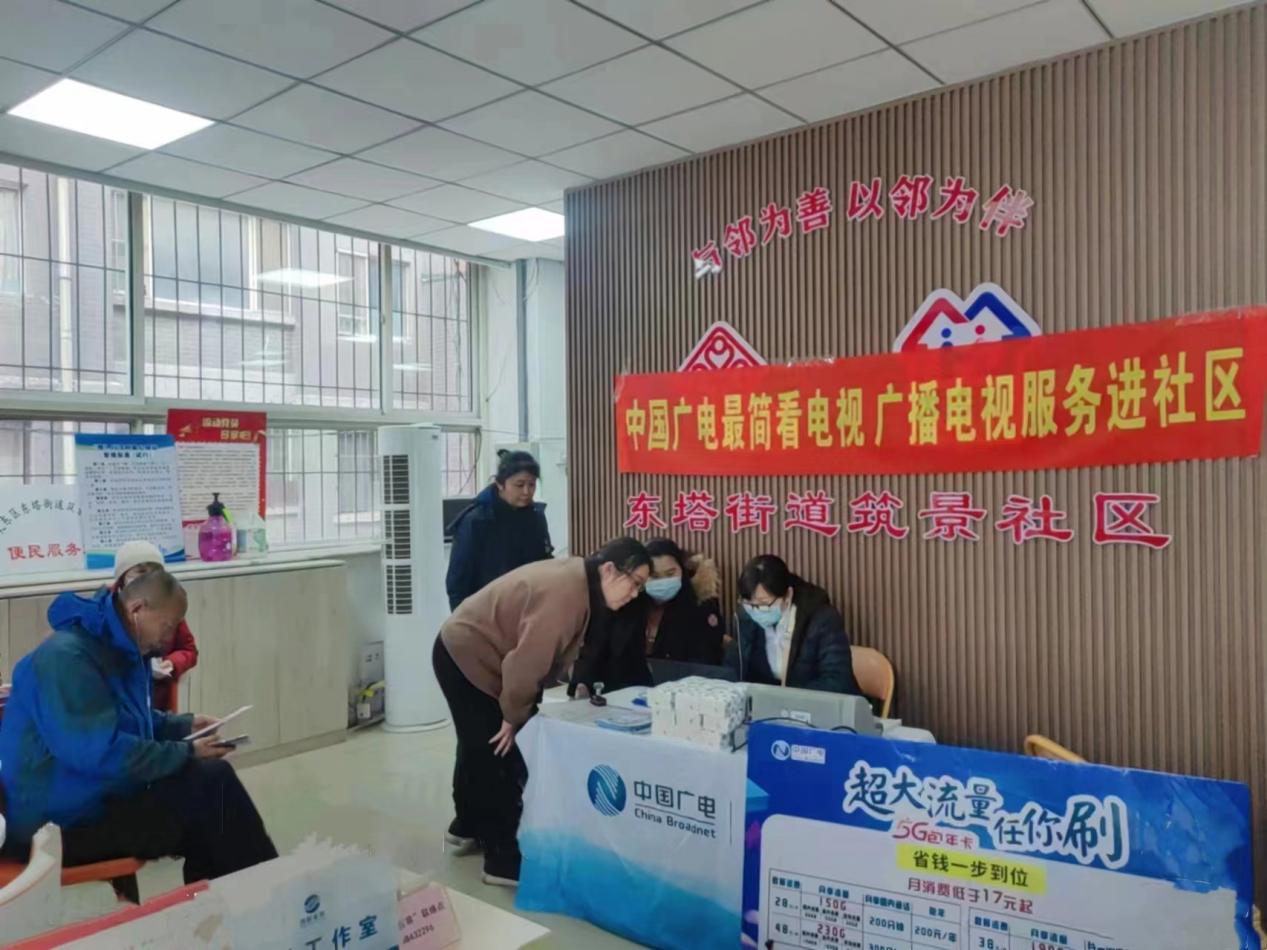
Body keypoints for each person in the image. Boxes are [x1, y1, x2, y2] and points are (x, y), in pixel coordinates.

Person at [0, 569, 277, 882]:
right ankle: (259, 893)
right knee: (210, 794)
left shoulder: (117, 648)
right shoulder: (66, 659)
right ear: (137, 609)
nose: (170, 638)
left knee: (213, 790)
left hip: (93, 796)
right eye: (167, 625)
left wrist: (182, 726)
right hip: (54, 825)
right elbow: (100, 753)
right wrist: (185, 752)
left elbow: (123, 720)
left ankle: (233, 897)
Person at [432, 537, 651, 887]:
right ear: (610, 570)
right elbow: (525, 664)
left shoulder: (583, 583)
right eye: (635, 583)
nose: (636, 594)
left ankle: (467, 824)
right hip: (467, 656)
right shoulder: (567, 595)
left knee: (479, 743)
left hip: (478, 653)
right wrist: (512, 717)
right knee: (497, 753)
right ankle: (501, 860)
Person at [568, 539, 725, 695]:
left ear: (682, 571)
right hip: (618, 696)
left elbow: (706, 665)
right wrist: (583, 682)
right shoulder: (624, 603)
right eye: (654, 576)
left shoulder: (700, 608)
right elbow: (595, 647)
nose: (663, 581)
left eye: (670, 573)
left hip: (681, 697)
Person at [724, 554, 860, 695]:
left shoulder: (822, 619)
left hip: (816, 703)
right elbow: (734, 668)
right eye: (750, 604)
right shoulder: (746, 617)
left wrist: (788, 699)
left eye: (764, 604)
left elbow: (838, 680)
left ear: (788, 595)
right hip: (766, 703)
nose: (756, 611)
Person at [445, 450, 554, 611]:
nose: (526, 492)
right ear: (500, 484)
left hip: (528, 611)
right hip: (487, 612)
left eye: (531, 485)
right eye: (519, 485)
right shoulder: (476, 522)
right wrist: (465, 619)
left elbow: (544, 566)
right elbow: (458, 582)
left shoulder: (536, 517)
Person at [111, 540, 198, 712]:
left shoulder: (168, 606)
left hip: (159, 701)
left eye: (154, 572)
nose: (147, 578)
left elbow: (189, 650)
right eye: (141, 571)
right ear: (122, 578)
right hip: (119, 702)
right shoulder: (108, 609)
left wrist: (171, 663)